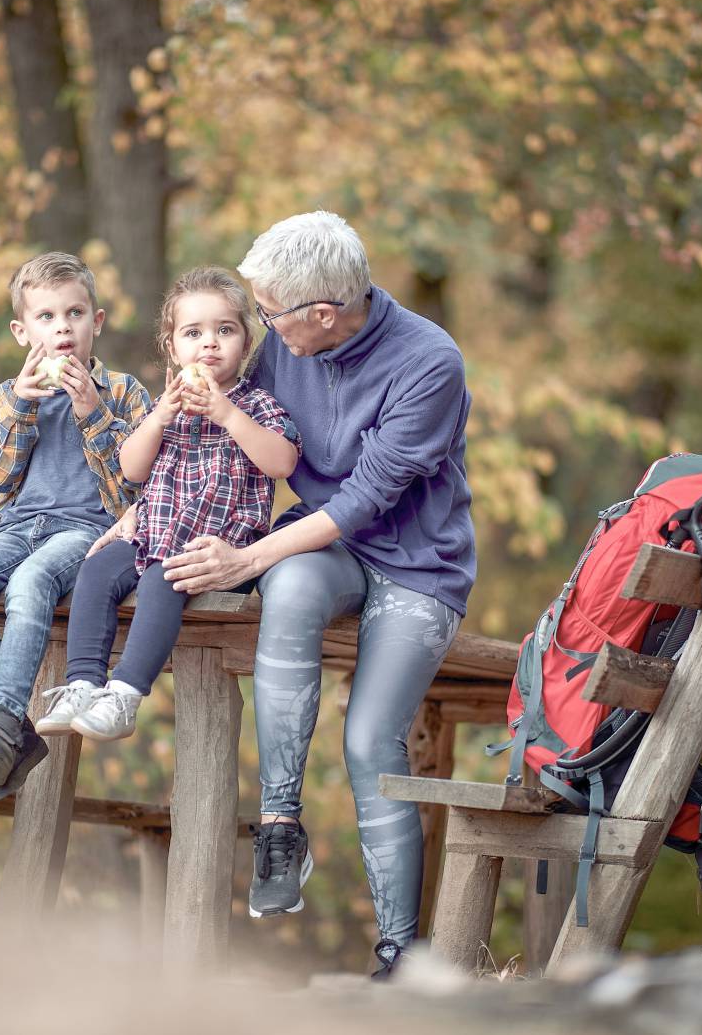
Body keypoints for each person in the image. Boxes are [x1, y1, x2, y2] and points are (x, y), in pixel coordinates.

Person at [116, 212, 476, 977]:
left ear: (326, 312)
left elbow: (360, 504)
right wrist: (132, 522)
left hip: (417, 565)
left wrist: (242, 558)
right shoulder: (289, 341)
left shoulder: (429, 364)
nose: (262, 331)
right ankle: (280, 821)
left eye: (270, 315)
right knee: (290, 592)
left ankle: (398, 954)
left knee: (370, 741)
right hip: (323, 548)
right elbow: (207, 444)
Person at [38, 267, 299, 742]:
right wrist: (159, 417)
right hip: (151, 533)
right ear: (172, 346)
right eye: (193, 333)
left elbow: (282, 461)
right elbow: (131, 469)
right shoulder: (167, 403)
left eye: (225, 330)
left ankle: (125, 695)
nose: (210, 344)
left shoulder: (256, 404)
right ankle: (82, 683)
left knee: (164, 579)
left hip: (213, 549)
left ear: (245, 340)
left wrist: (226, 413)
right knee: (94, 570)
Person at [0, 252, 150, 803]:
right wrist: (23, 410)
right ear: (22, 330)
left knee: (32, 582)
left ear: (95, 322)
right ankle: (11, 731)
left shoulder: (123, 392)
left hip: (87, 530)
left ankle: (1, 721)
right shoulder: (10, 395)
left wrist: (91, 410)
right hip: (16, 527)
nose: (62, 329)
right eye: (47, 317)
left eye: (75, 314)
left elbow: (136, 487)